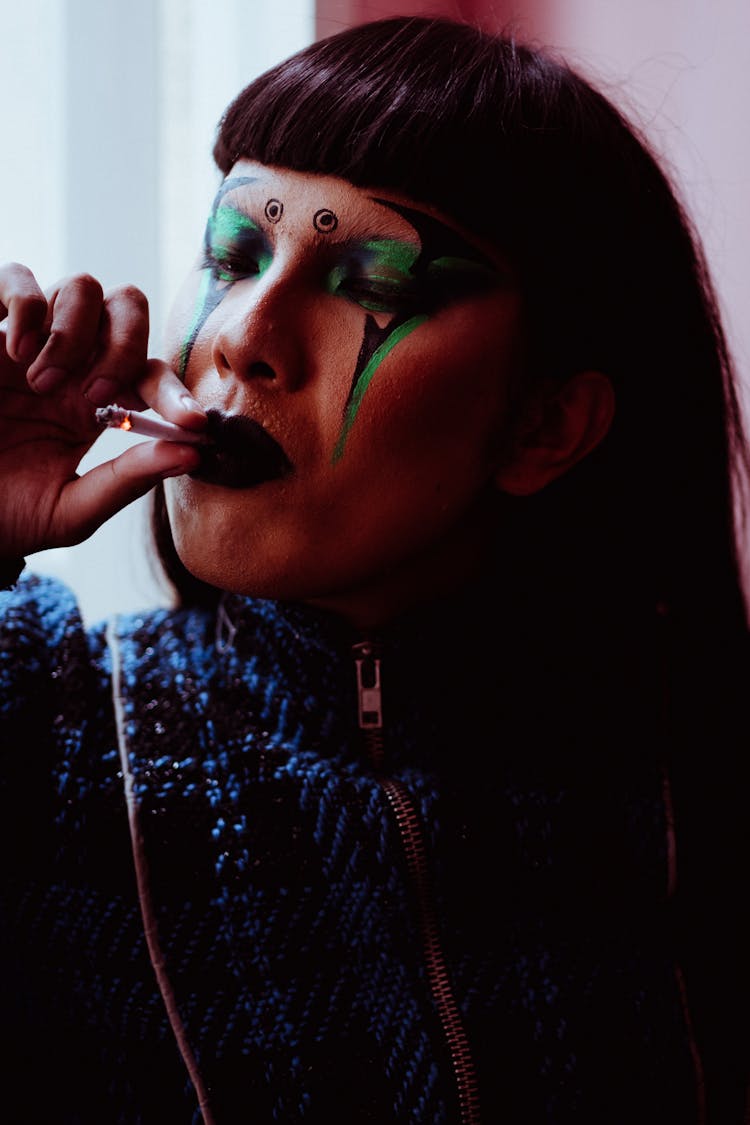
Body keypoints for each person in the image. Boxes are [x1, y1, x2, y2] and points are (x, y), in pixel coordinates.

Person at [1, 14, 748, 1124]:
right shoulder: (43, 732)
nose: (244, 338)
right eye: (237, 256)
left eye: (366, 283)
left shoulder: (696, 765)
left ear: (544, 424)